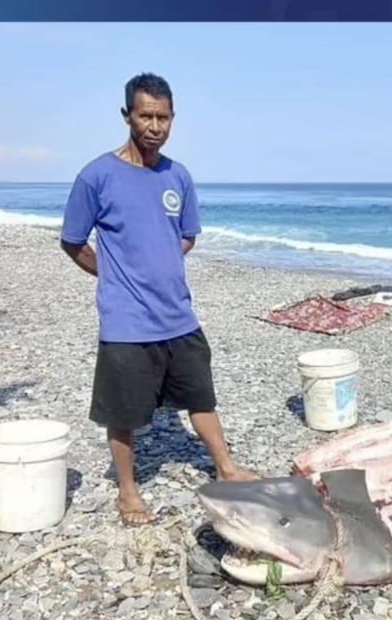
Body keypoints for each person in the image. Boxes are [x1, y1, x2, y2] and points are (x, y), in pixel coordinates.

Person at [60, 73, 256, 526]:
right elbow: (72, 241)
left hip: (178, 314)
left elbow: (185, 237)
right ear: (126, 114)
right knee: (123, 410)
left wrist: (158, 263)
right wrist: (114, 273)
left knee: (201, 396)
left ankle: (225, 467)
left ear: (172, 119)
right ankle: (127, 491)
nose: (154, 125)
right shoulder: (96, 176)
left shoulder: (178, 176)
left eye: (163, 117)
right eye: (145, 115)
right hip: (125, 320)